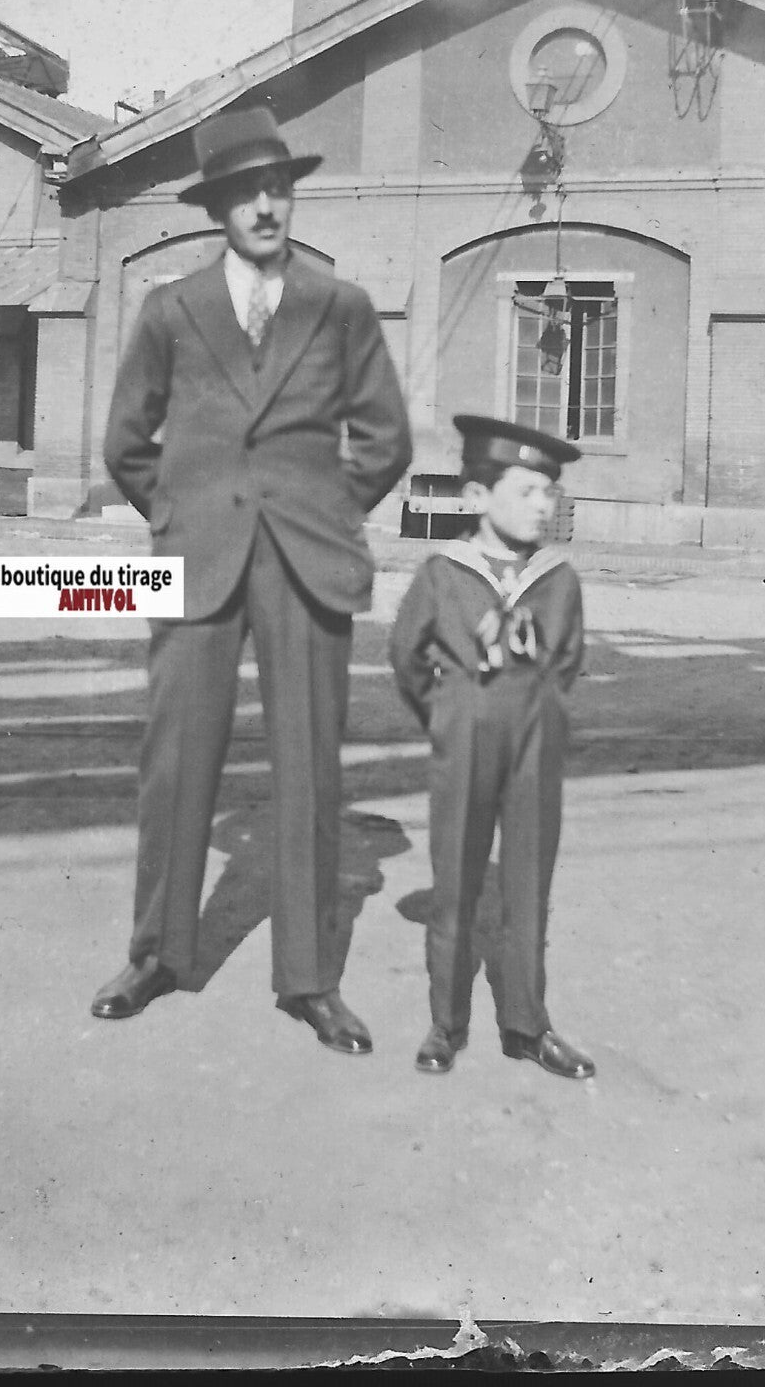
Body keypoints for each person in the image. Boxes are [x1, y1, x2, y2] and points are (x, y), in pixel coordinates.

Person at [92, 106, 413, 1054]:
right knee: (175, 757)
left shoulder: (339, 305)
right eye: (245, 194)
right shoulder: (169, 310)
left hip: (306, 566)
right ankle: (156, 953)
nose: (266, 206)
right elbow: (123, 443)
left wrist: (321, 503)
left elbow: (384, 437)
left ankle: (309, 981)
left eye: (278, 188)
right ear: (218, 210)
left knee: (310, 766)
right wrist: (180, 511)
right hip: (196, 562)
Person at [389, 415, 595, 1079]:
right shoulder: (444, 573)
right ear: (478, 498)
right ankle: (445, 1024)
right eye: (527, 491)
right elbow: (405, 655)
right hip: (465, 739)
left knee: (528, 885)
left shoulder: (558, 579)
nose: (543, 506)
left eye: (549, 494)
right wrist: (449, 716)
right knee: (456, 883)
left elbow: (565, 661)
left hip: (534, 740)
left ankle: (527, 1025)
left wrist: (540, 714)